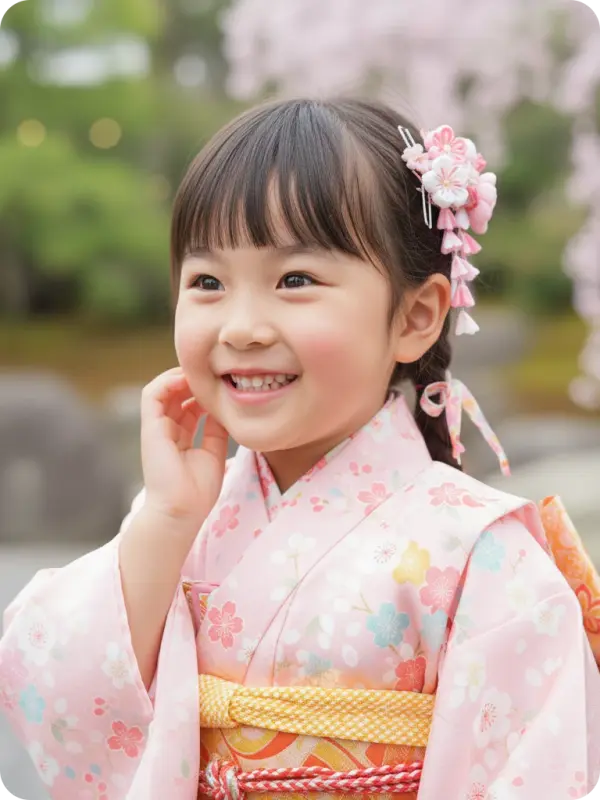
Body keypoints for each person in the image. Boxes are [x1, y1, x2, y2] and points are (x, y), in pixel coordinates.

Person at [1, 98, 600, 800]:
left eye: (295, 280)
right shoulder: (187, 522)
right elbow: (53, 686)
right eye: (207, 283)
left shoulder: (484, 556)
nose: (242, 328)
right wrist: (166, 518)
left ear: (415, 317)